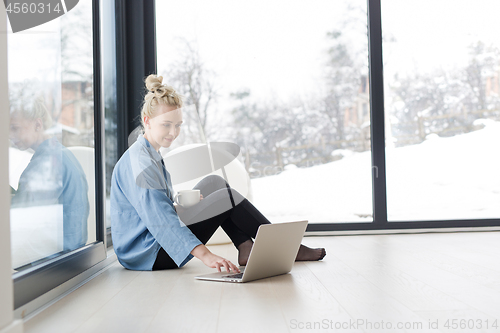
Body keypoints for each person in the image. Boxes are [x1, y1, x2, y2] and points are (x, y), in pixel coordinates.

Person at [110, 74, 326, 273]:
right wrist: (206, 255)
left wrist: (180, 206)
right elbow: (159, 220)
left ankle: (246, 247)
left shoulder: (148, 153)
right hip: (150, 252)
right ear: (147, 121)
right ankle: (287, 247)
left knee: (215, 183)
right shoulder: (140, 163)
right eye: (166, 125)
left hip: (151, 240)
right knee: (226, 198)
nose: (173, 132)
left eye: (178, 125)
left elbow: (149, 210)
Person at [10, 96, 89, 252]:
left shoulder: (46, 164)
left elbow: (17, 220)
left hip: (52, 261)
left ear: (38, 125)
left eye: (15, 128)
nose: (9, 135)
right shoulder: (60, 154)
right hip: (70, 256)